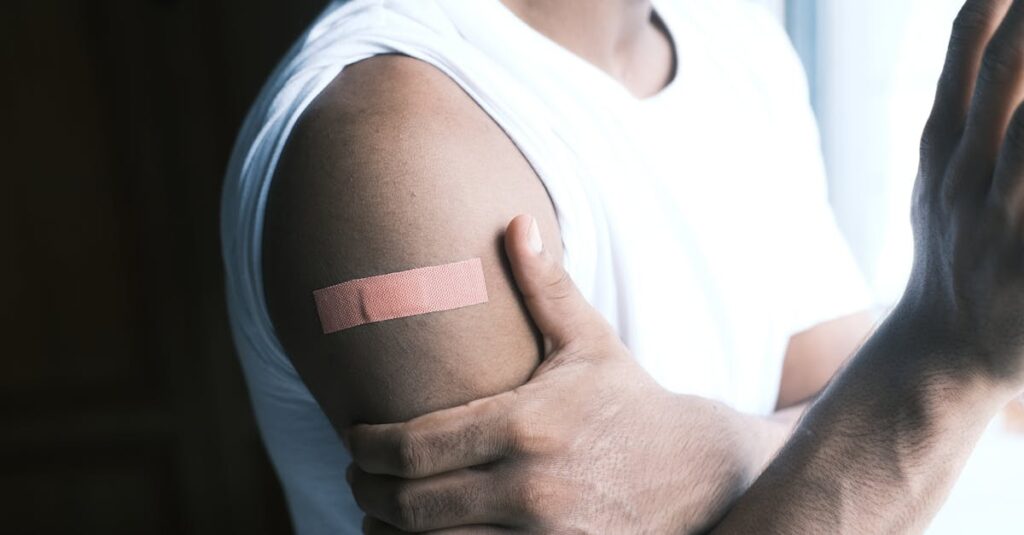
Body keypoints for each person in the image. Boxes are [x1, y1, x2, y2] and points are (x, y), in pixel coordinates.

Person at [221, 0, 1024, 532]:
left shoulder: (726, 30)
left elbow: (836, 391)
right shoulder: (396, 149)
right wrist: (951, 358)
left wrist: (713, 453)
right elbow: (860, 415)